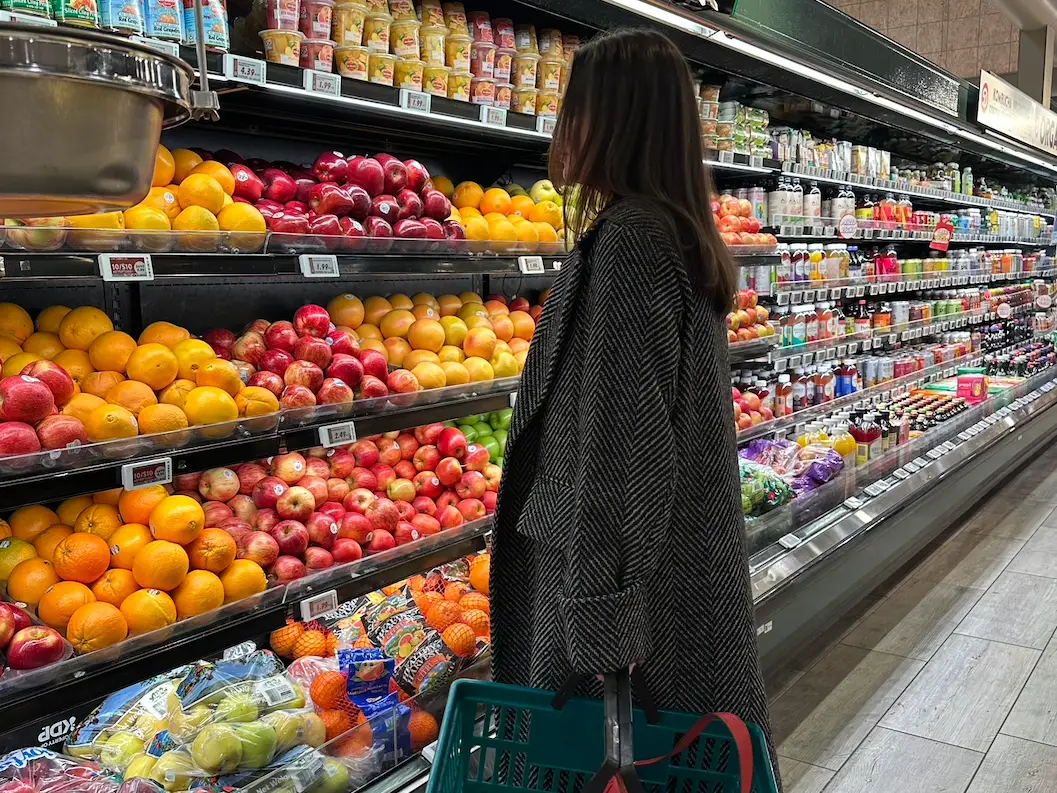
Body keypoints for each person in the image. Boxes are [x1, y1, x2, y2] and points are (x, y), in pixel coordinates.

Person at [490, 26, 775, 768]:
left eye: (573, 108)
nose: (562, 127)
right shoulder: (674, 231)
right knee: (684, 758)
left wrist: (600, 624)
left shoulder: (632, 243)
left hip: (626, 597)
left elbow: (621, 449)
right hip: (673, 572)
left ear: (611, 120)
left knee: (616, 763)